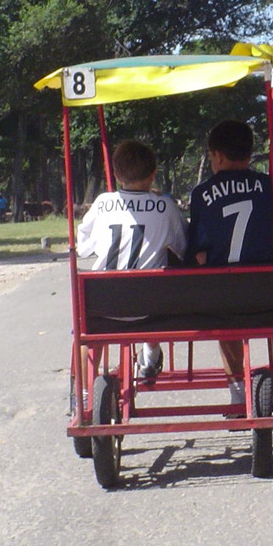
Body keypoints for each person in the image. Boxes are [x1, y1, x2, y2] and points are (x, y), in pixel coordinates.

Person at [186, 120, 273, 408]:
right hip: (266, 290)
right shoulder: (272, 189)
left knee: (225, 313)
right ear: (250, 152)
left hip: (222, 295)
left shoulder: (201, 194)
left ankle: (238, 393)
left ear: (216, 155)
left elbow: (199, 252)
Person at [77, 140, 187, 379]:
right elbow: (183, 248)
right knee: (154, 290)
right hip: (149, 308)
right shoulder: (165, 206)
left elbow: (83, 248)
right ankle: (150, 356)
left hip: (103, 304)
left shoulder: (102, 203)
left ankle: (84, 396)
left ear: (116, 175)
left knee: (86, 334)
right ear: (153, 173)